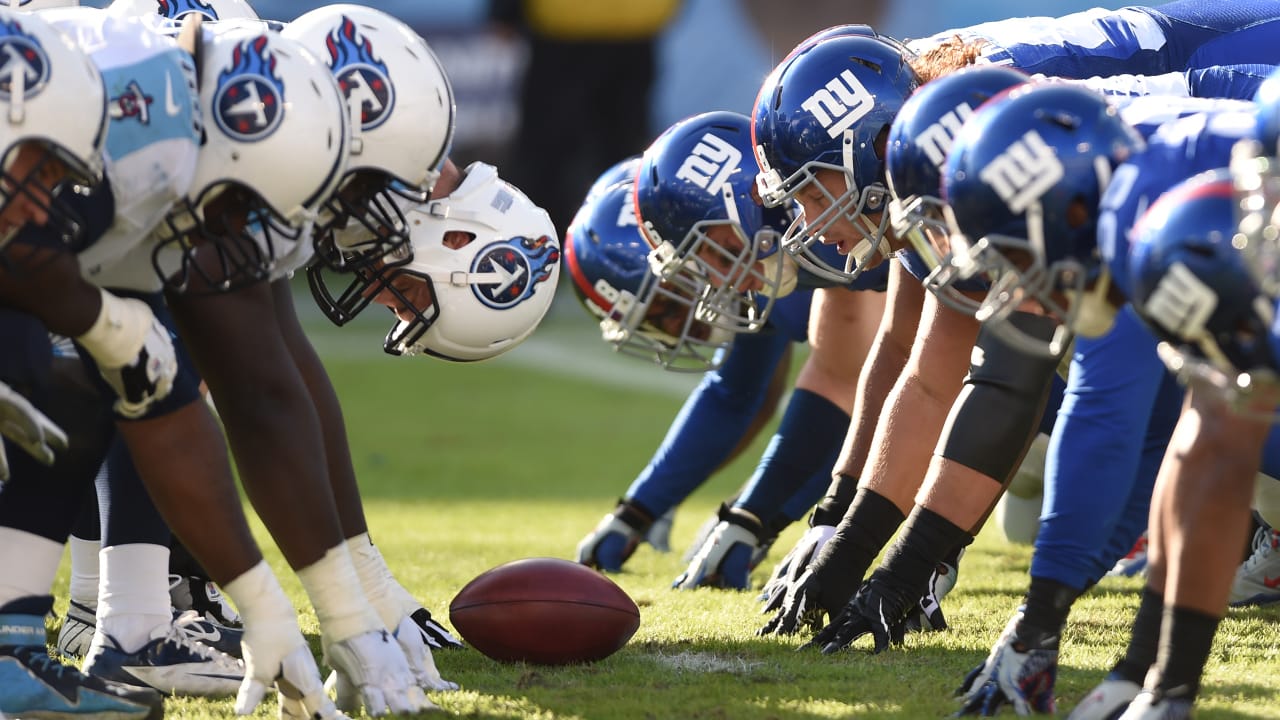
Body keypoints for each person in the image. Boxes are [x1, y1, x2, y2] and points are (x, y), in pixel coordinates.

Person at [756, 2, 1280, 641]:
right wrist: (840, 528)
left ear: (865, 144)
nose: (811, 219)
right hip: (1199, 131)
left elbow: (1011, 374)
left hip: (1243, 86)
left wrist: (915, 564)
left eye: (814, 191)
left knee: (1187, 371)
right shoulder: (918, 121)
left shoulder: (976, 136)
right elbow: (916, 361)